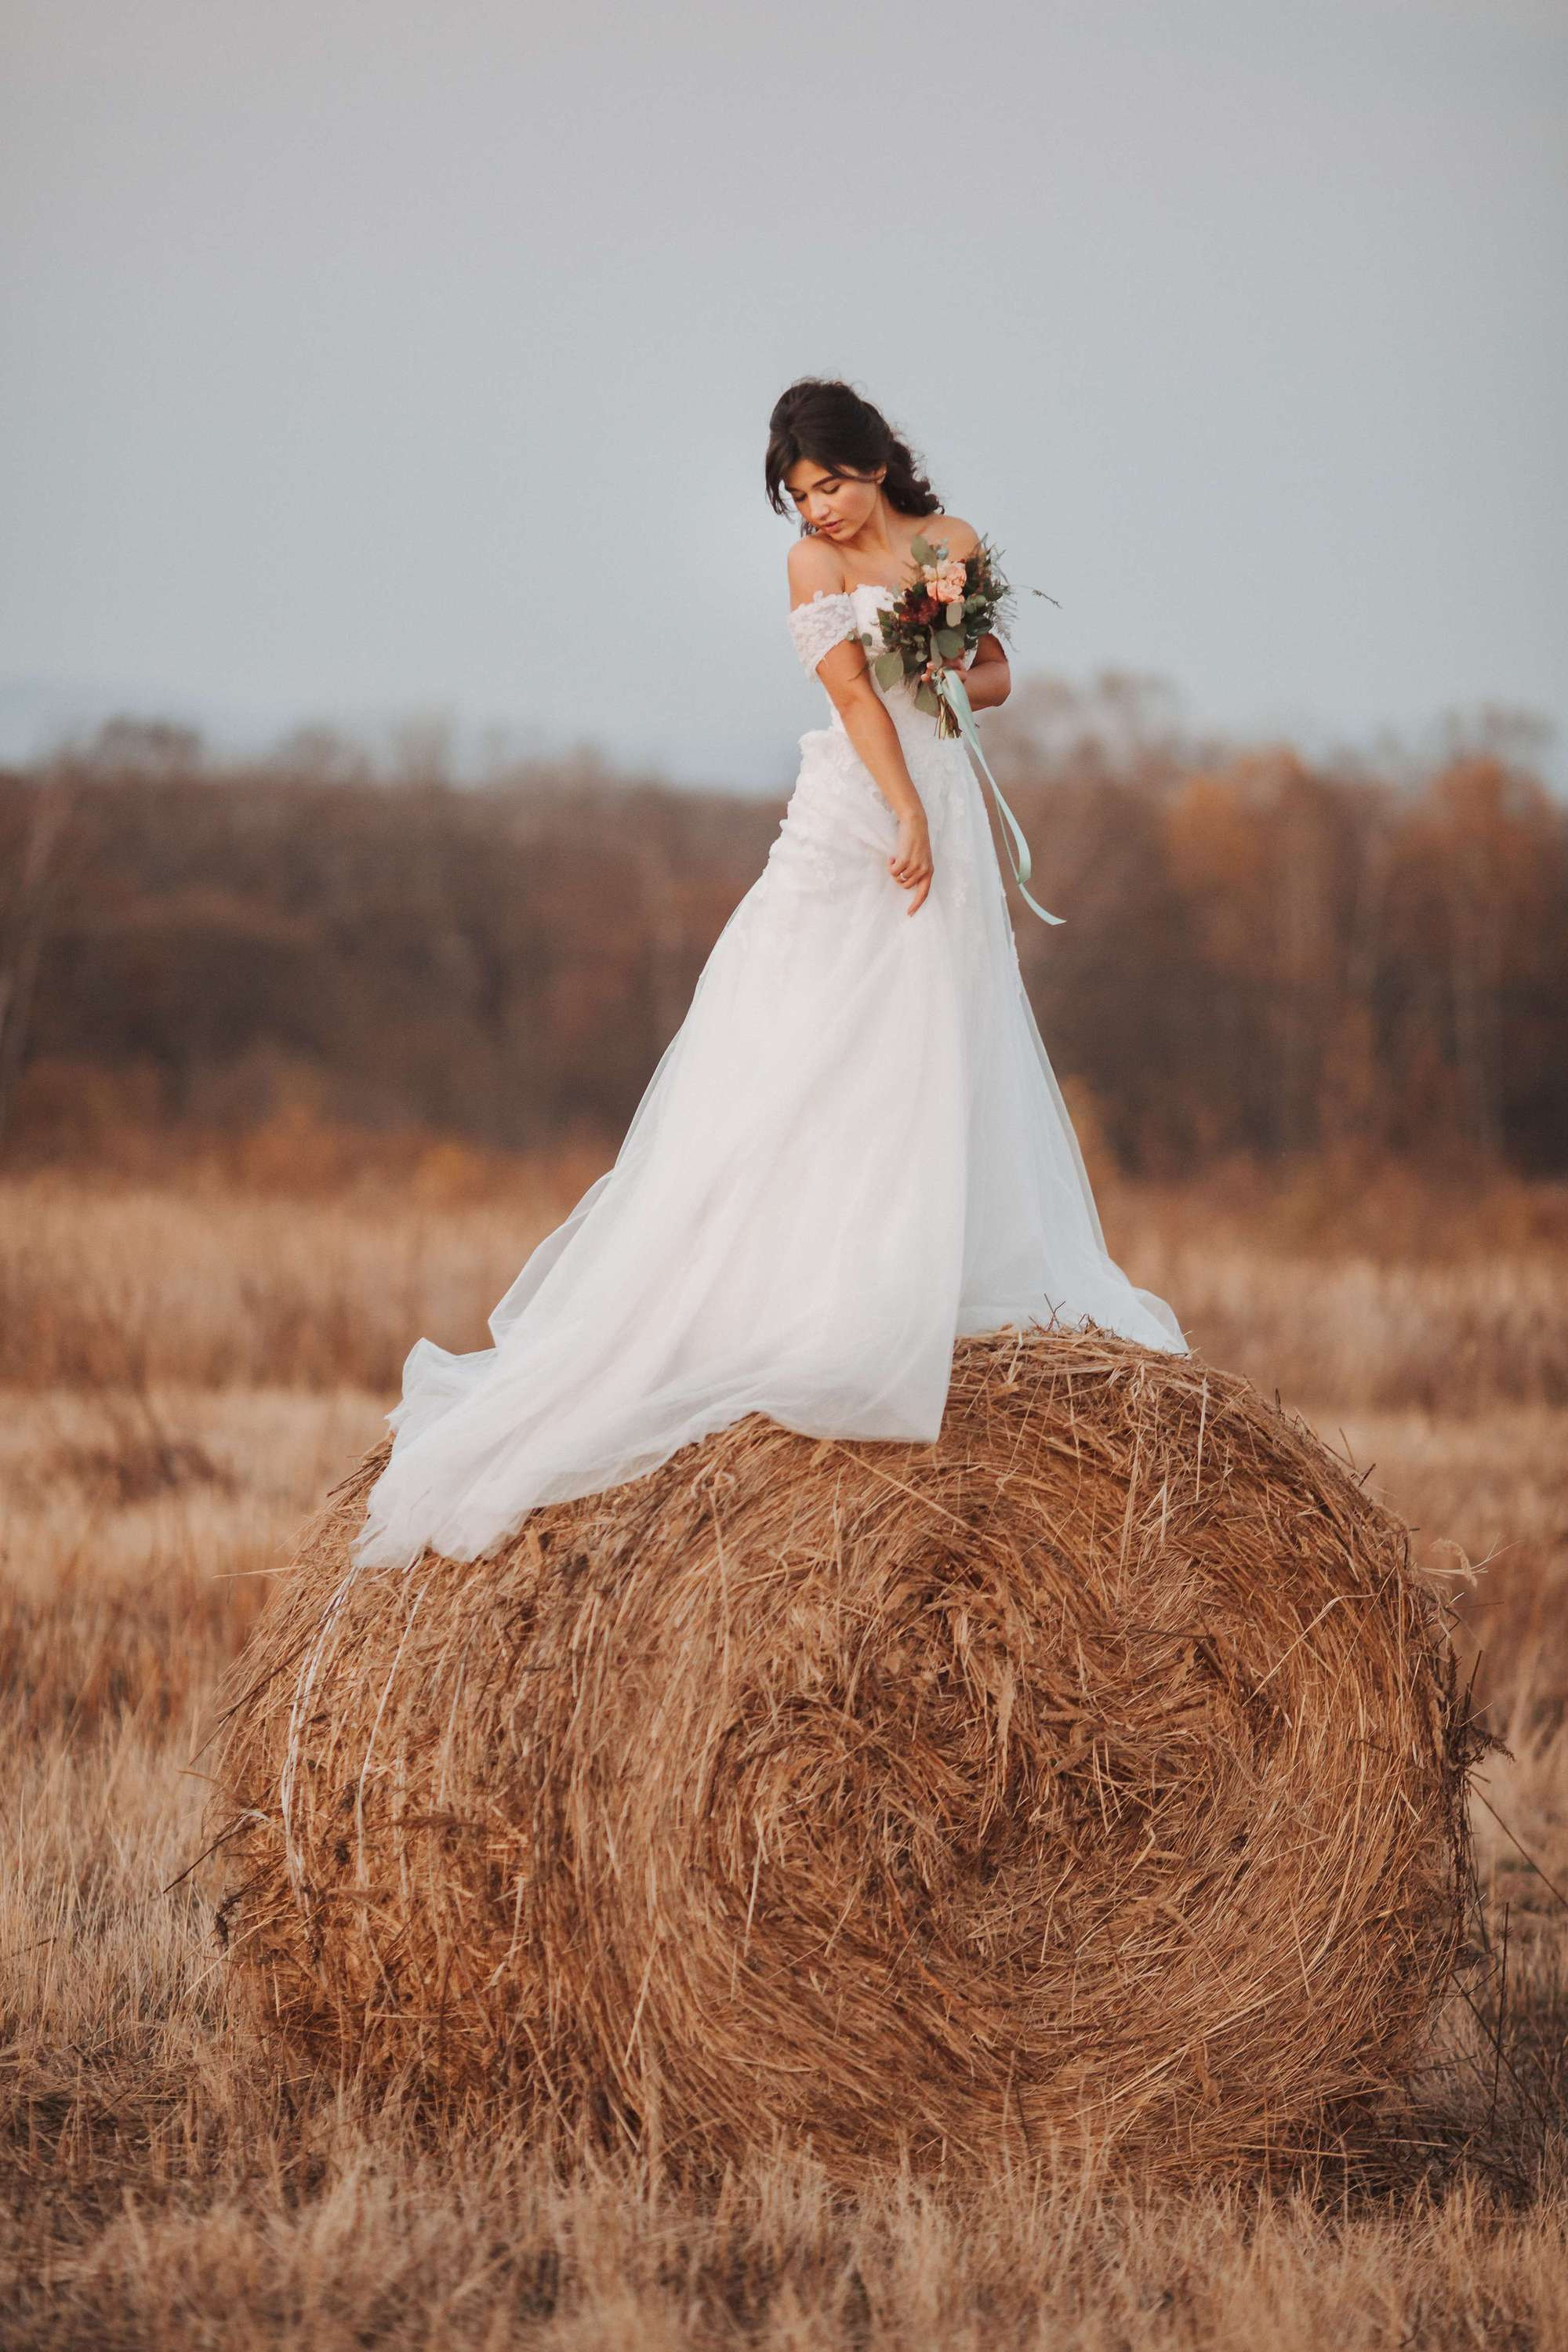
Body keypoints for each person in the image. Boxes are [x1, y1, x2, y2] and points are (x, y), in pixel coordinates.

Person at [350, 378, 1187, 1573]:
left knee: (932, 1036)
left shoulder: (950, 545)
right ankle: (771, 1295)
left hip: (944, 781)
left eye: (829, 485)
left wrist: (950, 663)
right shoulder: (808, 570)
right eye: (799, 497)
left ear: (875, 462)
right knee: (801, 1033)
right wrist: (901, 809)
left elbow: (996, 674)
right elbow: (850, 697)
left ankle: (911, 1275)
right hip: (864, 802)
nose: (820, 512)